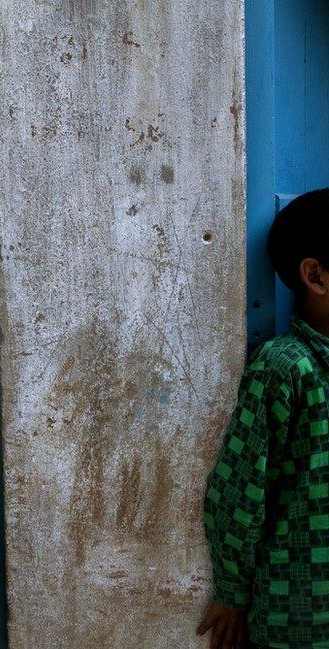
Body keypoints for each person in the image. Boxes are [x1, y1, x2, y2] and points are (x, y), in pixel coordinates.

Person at [199, 188, 329, 649]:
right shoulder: (286, 366)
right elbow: (237, 492)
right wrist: (232, 593)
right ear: (316, 276)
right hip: (301, 615)